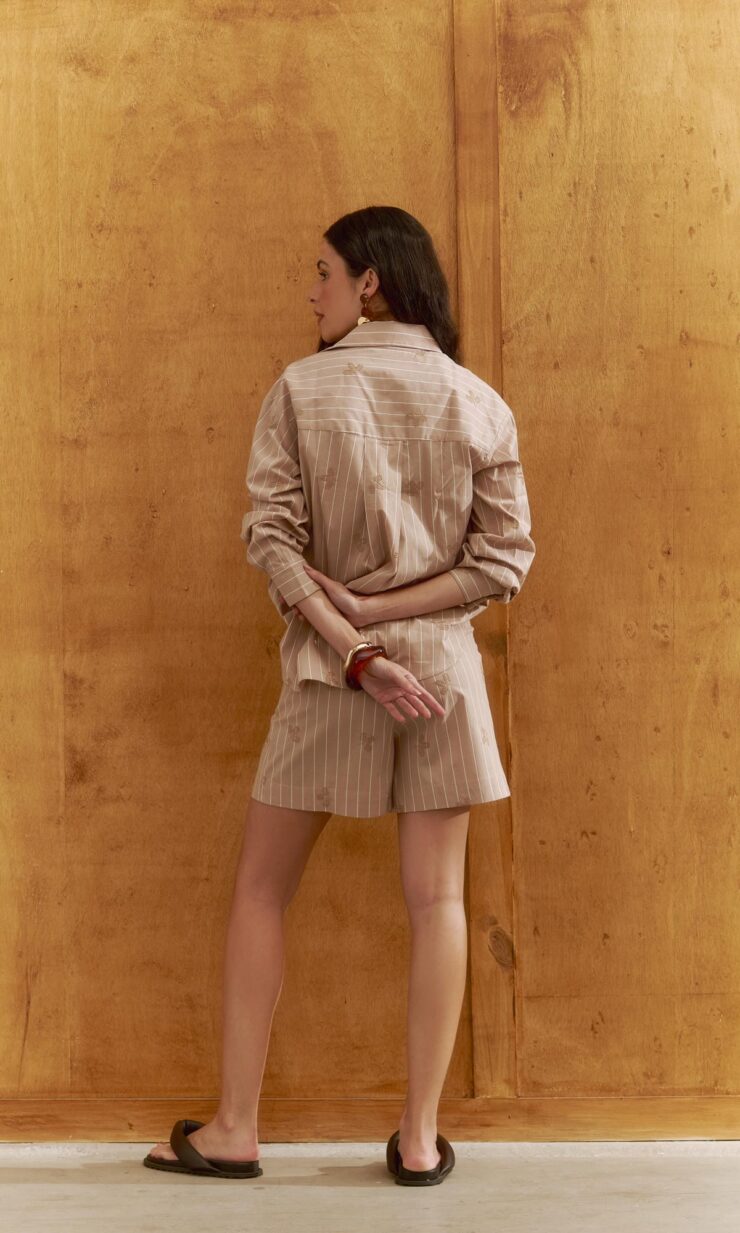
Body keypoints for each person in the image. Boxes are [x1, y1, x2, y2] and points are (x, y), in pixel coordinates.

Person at [143, 206, 535, 1185]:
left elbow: (272, 541)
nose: (309, 291)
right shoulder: (479, 402)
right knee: (439, 899)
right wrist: (393, 615)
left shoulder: (300, 388)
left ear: (369, 281)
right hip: (442, 680)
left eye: (321, 272)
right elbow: (501, 563)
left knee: (260, 890)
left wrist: (358, 642)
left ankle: (235, 1129)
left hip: (330, 672)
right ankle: (418, 1141)